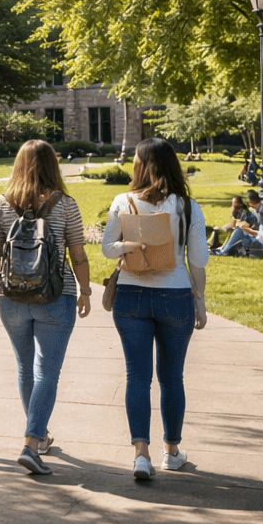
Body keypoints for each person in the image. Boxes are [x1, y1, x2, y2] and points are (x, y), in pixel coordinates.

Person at [101, 138, 208, 481]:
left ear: (141, 165)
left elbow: (107, 249)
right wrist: (201, 301)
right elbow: (199, 260)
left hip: (131, 295)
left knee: (137, 376)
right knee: (172, 377)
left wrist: (131, 245)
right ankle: (172, 452)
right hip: (175, 296)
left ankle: (141, 455)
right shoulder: (188, 207)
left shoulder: (123, 201)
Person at [0, 140, 91, 475]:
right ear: (52, 166)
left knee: (25, 368)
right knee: (48, 372)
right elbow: (78, 254)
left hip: (12, 297)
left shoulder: (1, 204)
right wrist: (85, 291)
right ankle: (32, 443)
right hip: (55, 296)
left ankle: (40, 437)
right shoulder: (65, 205)